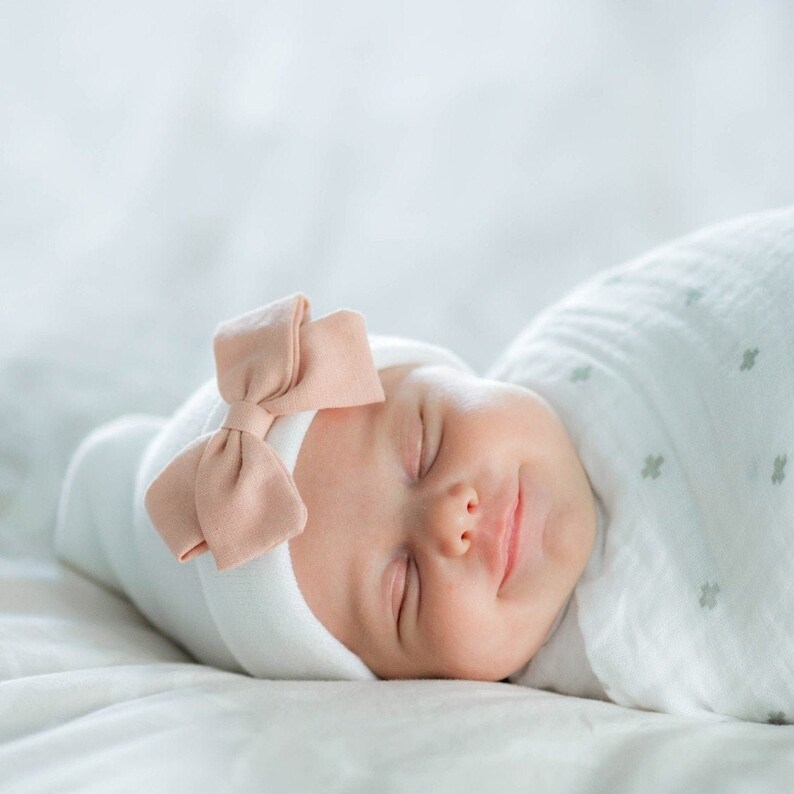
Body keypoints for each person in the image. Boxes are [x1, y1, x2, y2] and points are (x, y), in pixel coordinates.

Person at [56, 206, 794, 723]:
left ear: (451, 373)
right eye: (404, 586)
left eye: (422, 447)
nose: (451, 518)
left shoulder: (600, 335)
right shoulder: (626, 653)